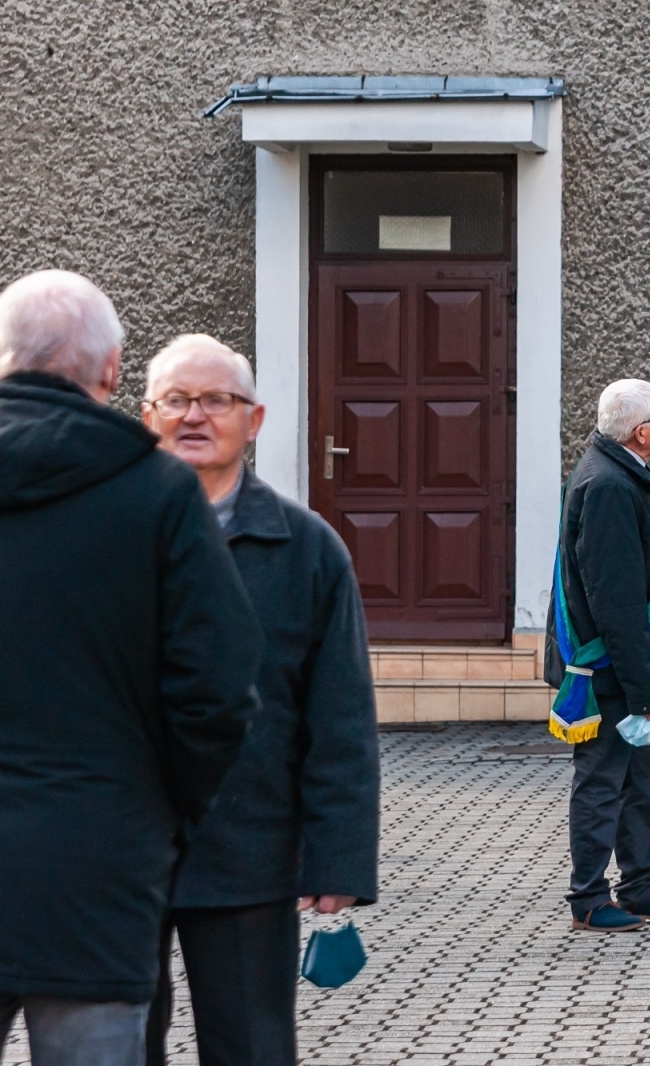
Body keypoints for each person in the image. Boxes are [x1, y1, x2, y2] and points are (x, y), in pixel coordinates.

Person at [0, 272, 261, 1065]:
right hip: (98, 870)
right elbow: (218, 690)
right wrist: (160, 809)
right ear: (113, 372)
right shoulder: (159, 493)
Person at [139, 335, 380, 1066]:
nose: (194, 416)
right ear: (145, 415)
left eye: (217, 400)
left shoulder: (308, 550)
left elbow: (340, 718)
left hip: (250, 850)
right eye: (175, 400)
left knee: (251, 1046)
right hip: (116, 851)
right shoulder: (103, 534)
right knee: (111, 1049)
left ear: (256, 418)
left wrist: (338, 861)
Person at [545, 379, 650, 932]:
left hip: (619, 667)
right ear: (642, 432)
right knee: (601, 783)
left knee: (637, 781)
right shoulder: (611, 485)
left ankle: (638, 887)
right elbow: (616, 601)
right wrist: (644, 688)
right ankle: (588, 899)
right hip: (607, 670)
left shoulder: (615, 470)